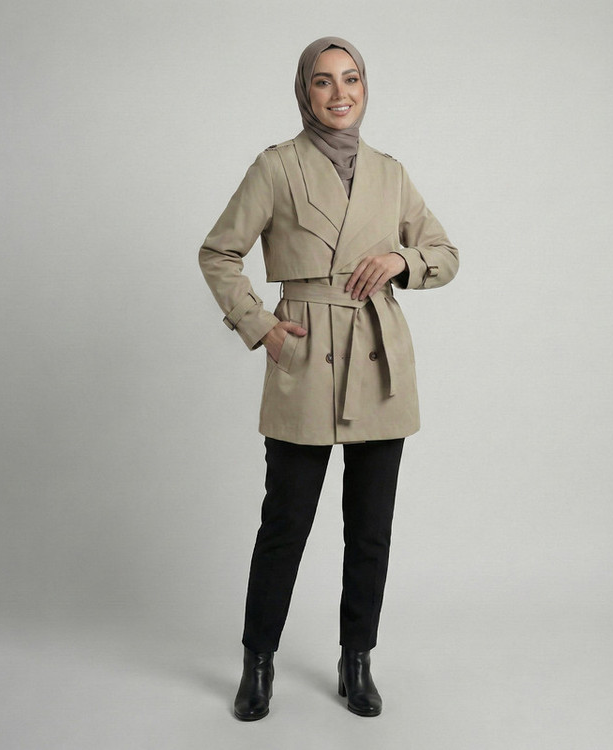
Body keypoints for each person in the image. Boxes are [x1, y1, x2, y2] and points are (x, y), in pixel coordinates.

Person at [198, 36, 459, 720]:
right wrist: (260, 325)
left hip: (378, 354)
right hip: (307, 350)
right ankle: (258, 661)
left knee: (370, 530)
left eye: (352, 79)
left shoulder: (390, 173)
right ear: (304, 91)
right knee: (285, 524)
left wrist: (403, 261)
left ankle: (357, 659)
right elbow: (219, 252)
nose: (339, 93)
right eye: (323, 81)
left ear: (365, 88)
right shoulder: (276, 166)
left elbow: (444, 252)